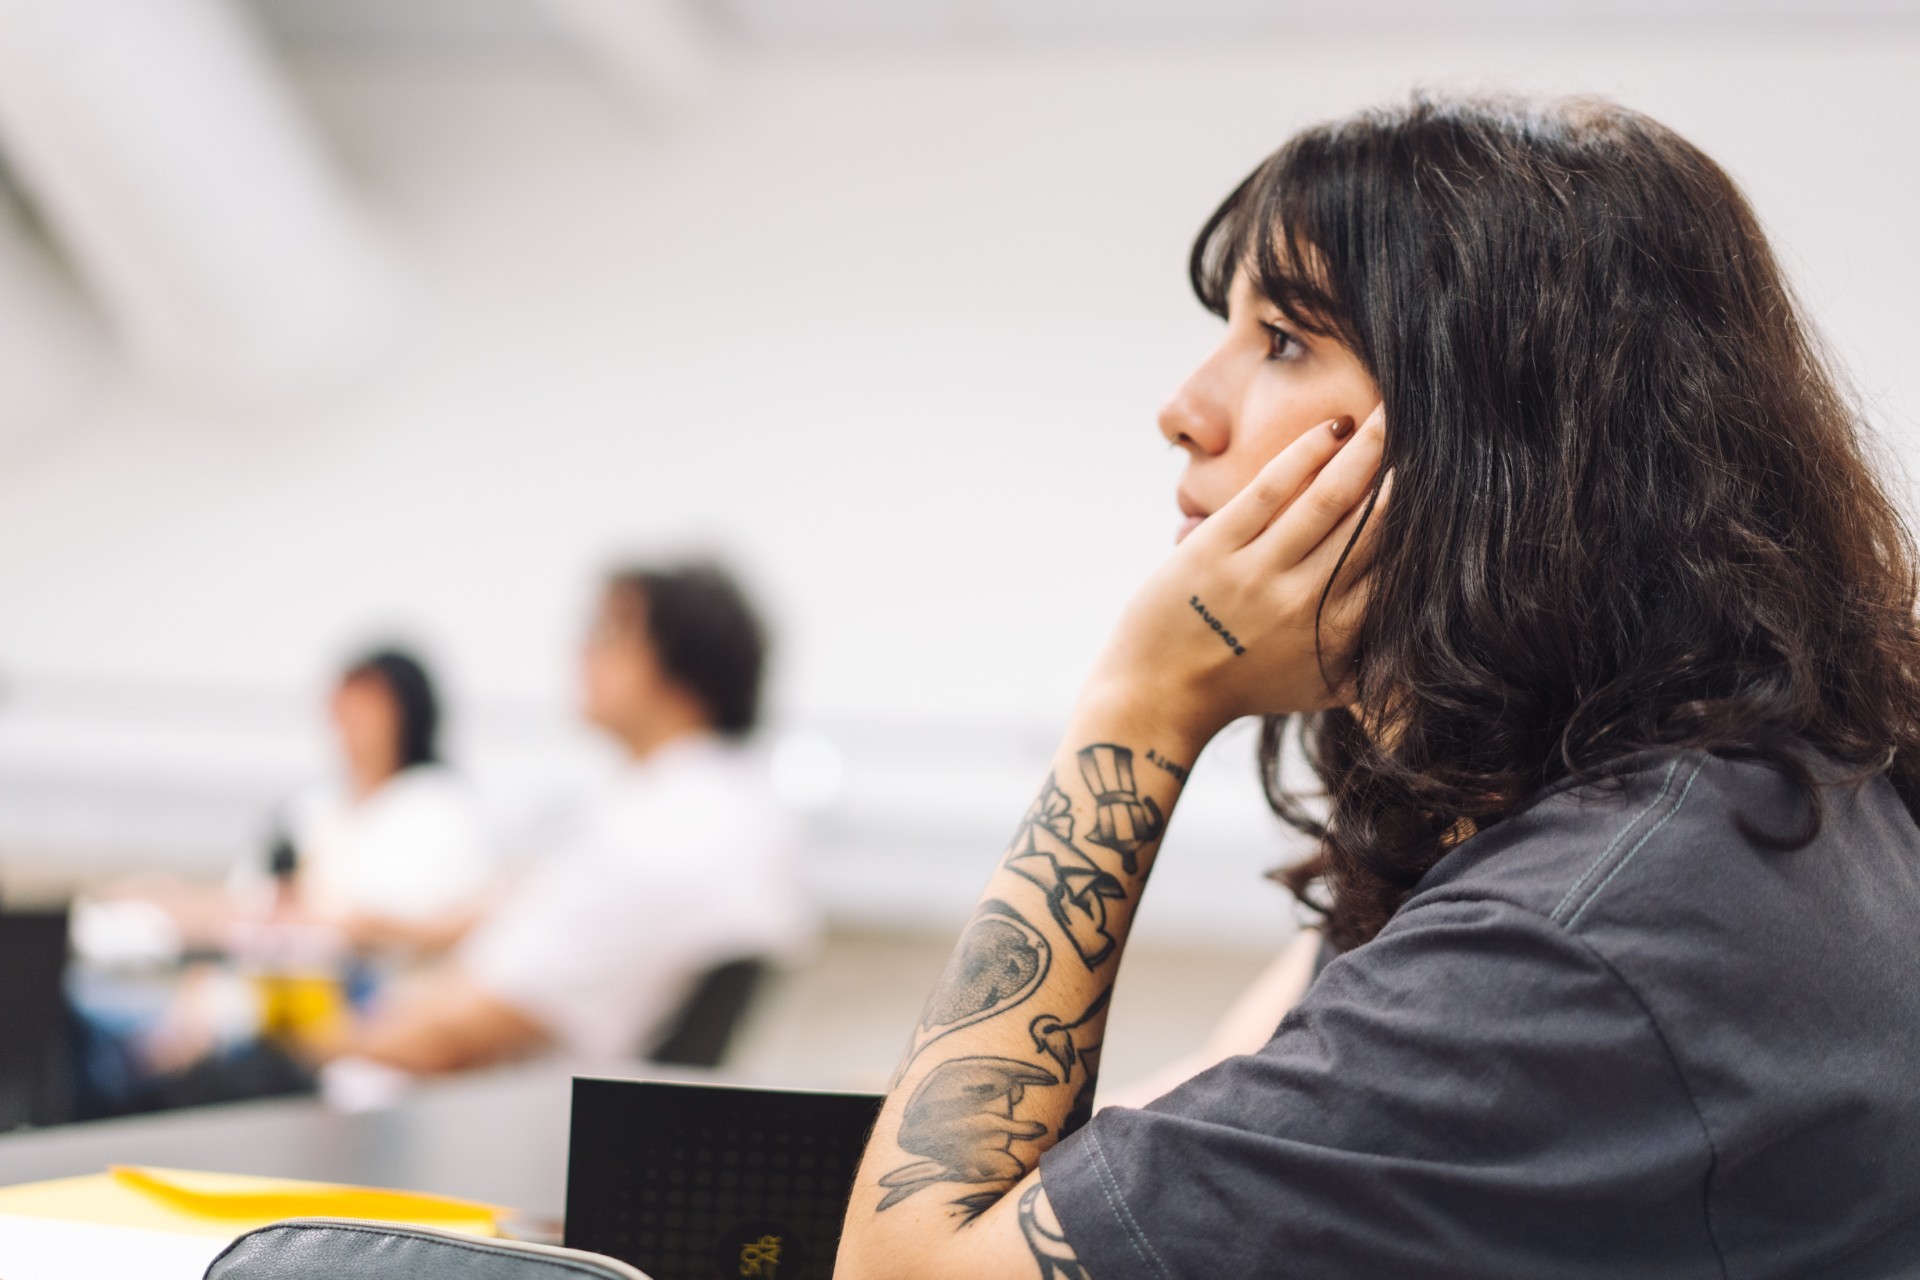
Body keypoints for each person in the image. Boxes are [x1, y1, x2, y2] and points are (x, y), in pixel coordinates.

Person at [833, 94, 1920, 1278]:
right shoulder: (1658, 792)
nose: (1185, 408)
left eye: (1286, 339)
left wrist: (1140, 707)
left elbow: (900, 1269)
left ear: (1508, 430)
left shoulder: (1578, 939)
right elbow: (1208, 1113)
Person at [334, 560, 814, 1075]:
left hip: (498, 1116)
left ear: (683, 666)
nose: (582, 651)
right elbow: (512, 911)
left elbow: (443, 1037)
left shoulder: (645, 839)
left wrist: (277, 1027)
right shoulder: (736, 811)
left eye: (608, 633)